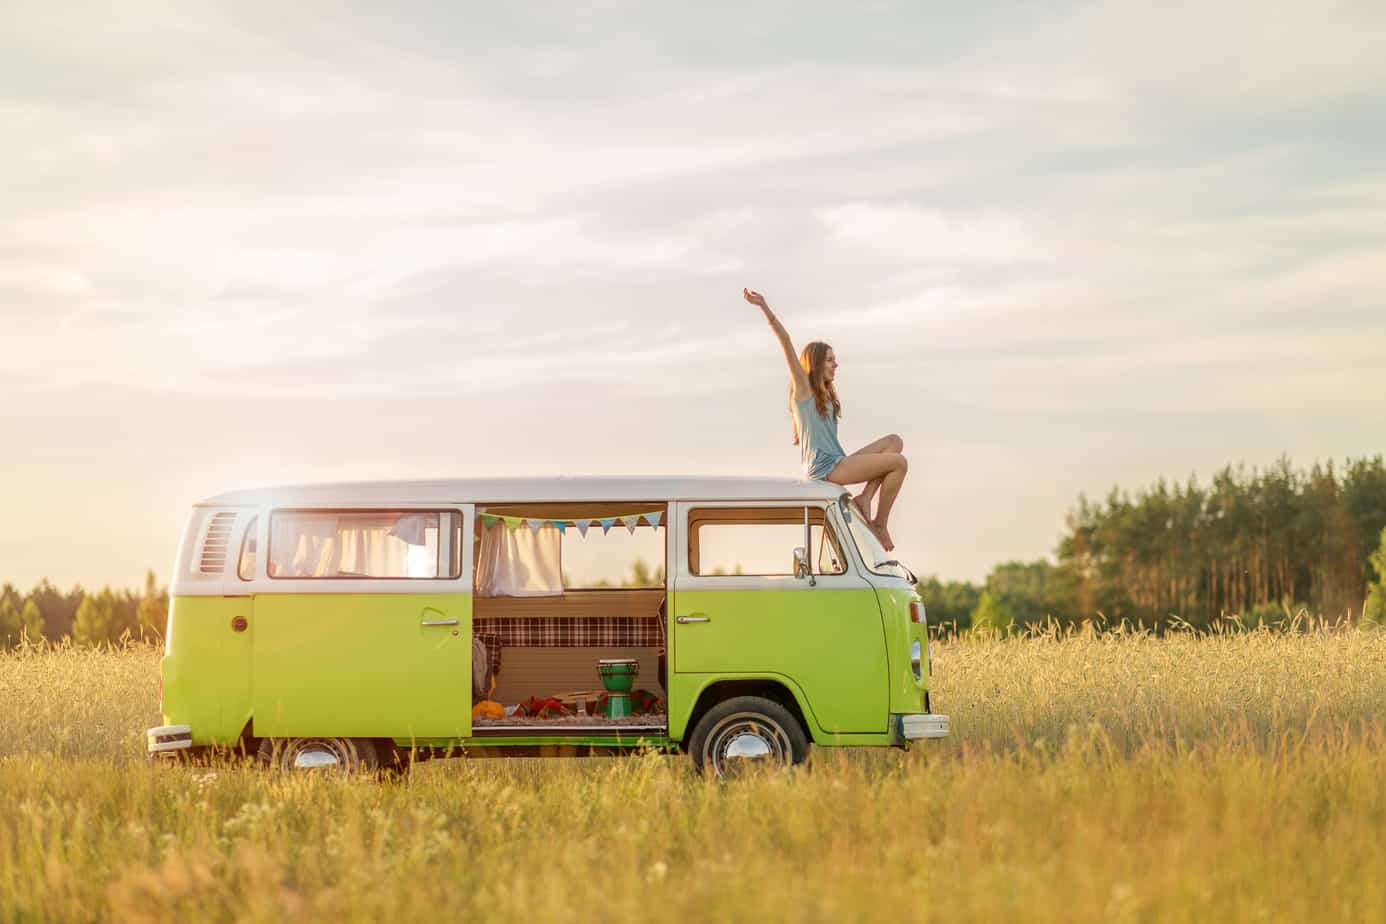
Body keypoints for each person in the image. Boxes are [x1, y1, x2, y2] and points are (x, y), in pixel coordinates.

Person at [743, 287, 908, 551]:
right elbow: (785, 343)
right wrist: (763, 307)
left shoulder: (827, 396)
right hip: (824, 469)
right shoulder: (804, 391)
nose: (836, 364)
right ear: (817, 363)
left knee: (894, 442)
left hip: (838, 461)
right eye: (831, 360)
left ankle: (866, 498)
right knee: (899, 463)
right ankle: (879, 524)